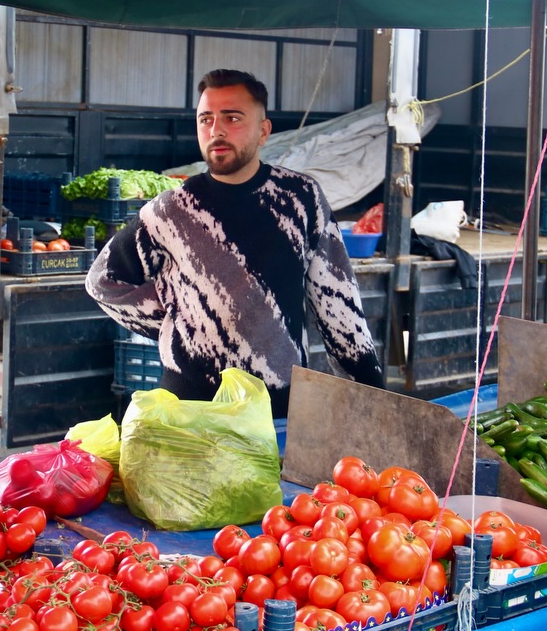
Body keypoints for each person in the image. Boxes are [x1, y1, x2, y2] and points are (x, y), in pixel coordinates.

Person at [86, 68, 385, 416]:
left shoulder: (301, 200)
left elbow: (339, 307)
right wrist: (180, 321)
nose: (216, 131)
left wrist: (372, 402)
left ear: (263, 131)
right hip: (188, 414)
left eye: (232, 118)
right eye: (206, 119)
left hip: (277, 414)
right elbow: (103, 282)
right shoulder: (169, 210)